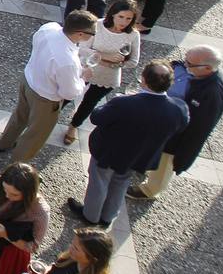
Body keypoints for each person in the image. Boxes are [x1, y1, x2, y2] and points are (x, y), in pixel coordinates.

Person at [69, 61, 187, 228]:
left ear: (144, 80)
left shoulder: (123, 103)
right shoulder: (178, 108)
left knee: (99, 183)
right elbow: (180, 126)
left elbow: (97, 117)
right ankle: (108, 217)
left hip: (109, 152)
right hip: (138, 157)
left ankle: (91, 216)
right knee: (121, 184)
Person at [128, 46, 223, 200]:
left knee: (164, 163)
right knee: (154, 152)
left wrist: (183, 154)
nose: (185, 65)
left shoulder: (212, 93)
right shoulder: (192, 71)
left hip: (175, 135)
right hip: (161, 121)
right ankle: (147, 165)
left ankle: (150, 191)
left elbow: (200, 128)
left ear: (208, 68)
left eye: (190, 64)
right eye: (186, 60)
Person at [0, 11, 96, 163]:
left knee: (19, 116)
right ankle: (17, 166)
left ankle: (3, 143)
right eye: (92, 33)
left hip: (28, 80)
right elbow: (69, 92)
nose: (93, 35)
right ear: (80, 34)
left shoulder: (49, 28)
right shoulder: (68, 62)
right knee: (36, 134)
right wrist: (84, 79)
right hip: (45, 99)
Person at [62, 0, 141, 145]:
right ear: (113, 15)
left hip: (108, 75)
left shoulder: (133, 35)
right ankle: (49, 116)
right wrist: (104, 57)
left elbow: (133, 61)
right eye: (121, 17)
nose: (124, 22)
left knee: (89, 103)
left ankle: (73, 126)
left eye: (128, 18)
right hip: (86, 67)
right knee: (68, 94)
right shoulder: (98, 25)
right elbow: (82, 48)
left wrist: (118, 63)